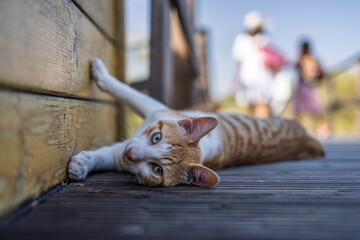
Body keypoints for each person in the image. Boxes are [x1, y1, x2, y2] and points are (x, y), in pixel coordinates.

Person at [232, 11, 285, 119]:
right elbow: (238, 61)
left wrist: (235, 79)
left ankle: (259, 131)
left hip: (259, 78)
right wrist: (236, 80)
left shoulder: (263, 39)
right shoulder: (244, 40)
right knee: (253, 107)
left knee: (260, 106)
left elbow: (238, 61)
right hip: (249, 79)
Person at [294, 40, 331, 138]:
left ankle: (323, 132)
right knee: (299, 111)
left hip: (311, 87)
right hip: (302, 87)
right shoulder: (300, 59)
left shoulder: (313, 59)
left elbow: (321, 73)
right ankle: (298, 132)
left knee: (317, 111)